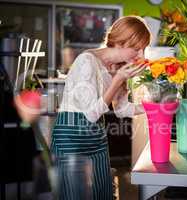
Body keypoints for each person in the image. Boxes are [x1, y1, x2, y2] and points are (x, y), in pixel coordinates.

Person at [50, 16, 151, 200]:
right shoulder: (86, 61)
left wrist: (153, 107)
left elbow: (122, 110)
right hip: (72, 139)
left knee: (102, 193)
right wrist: (117, 80)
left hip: (97, 139)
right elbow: (89, 115)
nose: (142, 56)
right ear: (120, 42)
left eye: (143, 49)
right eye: (137, 49)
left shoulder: (118, 68)